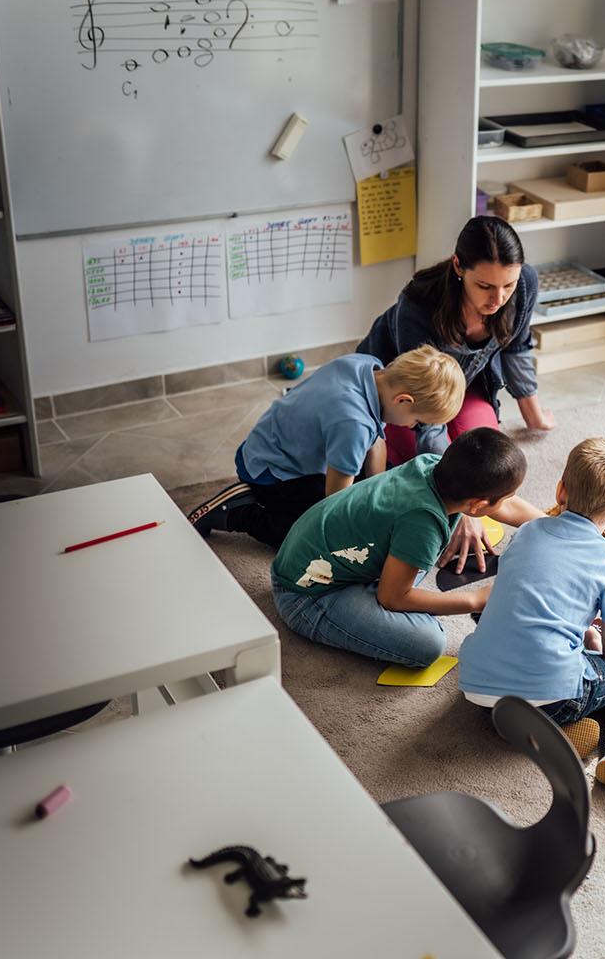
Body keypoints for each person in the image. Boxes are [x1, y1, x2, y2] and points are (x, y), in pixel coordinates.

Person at [458, 437, 605, 804]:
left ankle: (544, 730)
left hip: (475, 687)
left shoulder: (526, 533)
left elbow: (535, 597)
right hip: (549, 692)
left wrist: (583, 633)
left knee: (515, 620)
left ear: (560, 490)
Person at [357, 215, 553, 572]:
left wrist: (532, 412)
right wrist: (460, 502)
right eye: (485, 286)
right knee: (428, 471)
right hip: (407, 399)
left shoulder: (524, 283)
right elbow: (427, 414)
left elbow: (518, 347)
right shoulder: (417, 307)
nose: (499, 298)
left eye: (507, 285)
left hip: (467, 384)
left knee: (494, 461)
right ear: (458, 266)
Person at [269, 427, 536, 668]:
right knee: (428, 644)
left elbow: (507, 507)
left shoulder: (434, 466)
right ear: (477, 506)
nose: (510, 502)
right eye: (506, 497)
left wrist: (555, 525)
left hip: (319, 558)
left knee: (416, 561)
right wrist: (474, 600)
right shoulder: (422, 523)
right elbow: (391, 598)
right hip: (305, 595)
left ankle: (384, 583)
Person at [186, 346, 464, 549]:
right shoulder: (352, 422)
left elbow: (376, 442)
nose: (412, 427)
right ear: (403, 401)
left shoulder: (368, 366)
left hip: (283, 445)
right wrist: (365, 525)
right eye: (417, 422)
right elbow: (335, 503)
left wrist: (378, 492)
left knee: (390, 479)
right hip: (271, 471)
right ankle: (238, 511)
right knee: (316, 538)